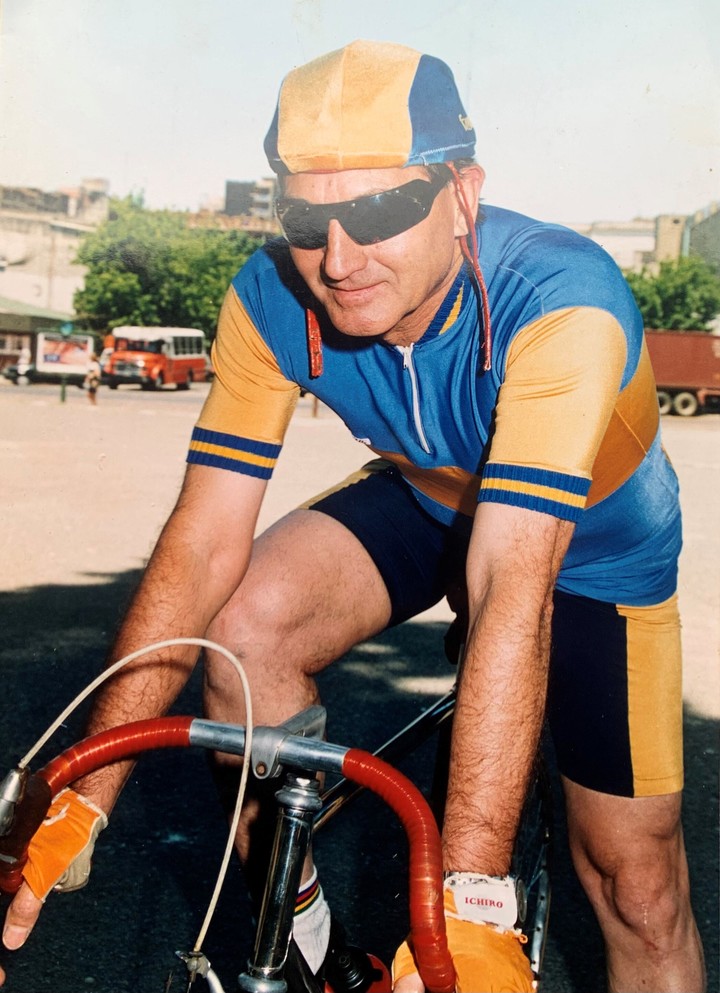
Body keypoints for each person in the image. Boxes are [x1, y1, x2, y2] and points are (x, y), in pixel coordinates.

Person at [0, 40, 706, 992]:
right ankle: (302, 934)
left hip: (589, 549)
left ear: (463, 195)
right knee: (242, 627)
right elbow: (204, 542)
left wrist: (469, 904)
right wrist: (83, 794)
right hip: (428, 496)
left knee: (635, 884)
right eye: (305, 217)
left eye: (381, 210)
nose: (338, 259)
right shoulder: (267, 296)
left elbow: (513, 584)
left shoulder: (562, 299)